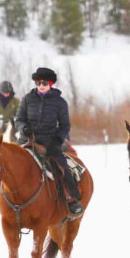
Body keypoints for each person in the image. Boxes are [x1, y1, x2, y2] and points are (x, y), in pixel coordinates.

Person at [15, 67, 83, 217]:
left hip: (50, 142)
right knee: (8, 164)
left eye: (44, 82)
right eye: (38, 82)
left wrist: (58, 139)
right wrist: (23, 127)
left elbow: (65, 125)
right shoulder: (27, 99)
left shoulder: (60, 102)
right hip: (27, 140)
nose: (41, 85)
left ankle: (72, 200)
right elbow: (19, 120)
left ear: (50, 84)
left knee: (61, 167)